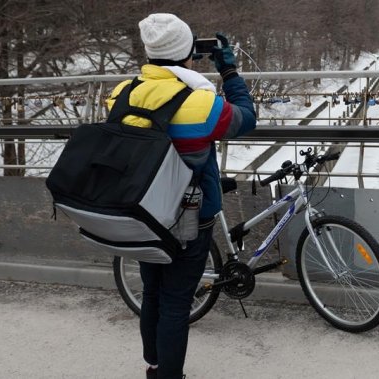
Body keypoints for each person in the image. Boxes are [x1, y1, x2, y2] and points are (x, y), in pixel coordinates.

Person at [106, 13, 256, 379]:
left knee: (153, 295)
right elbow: (247, 118)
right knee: (175, 304)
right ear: (188, 51)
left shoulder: (120, 95)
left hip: (141, 214)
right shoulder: (202, 104)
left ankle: (153, 367)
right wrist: (230, 73)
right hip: (189, 218)